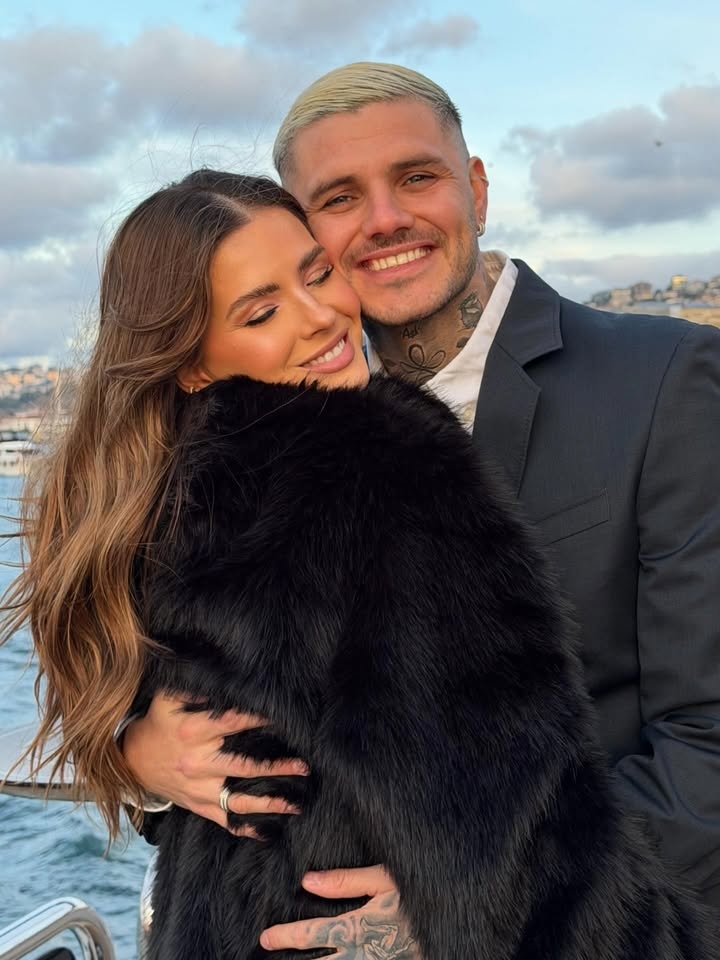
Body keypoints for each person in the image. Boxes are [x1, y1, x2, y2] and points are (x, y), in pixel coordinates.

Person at [5, 167, 716, 960]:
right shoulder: (379, 469)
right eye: (263, 311)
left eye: (316, 275)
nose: (321, 316)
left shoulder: (154, 500)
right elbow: (508, 829)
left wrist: (130, 746)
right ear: (192, 361)